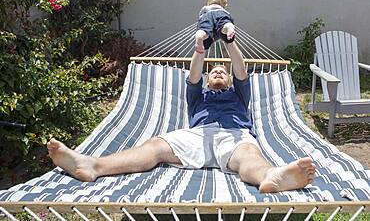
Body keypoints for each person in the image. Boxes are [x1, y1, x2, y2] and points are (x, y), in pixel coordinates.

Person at [47, 32, 316, 193]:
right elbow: (195, 74)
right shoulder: (198, 95)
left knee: (249, 156)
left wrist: (229, 40)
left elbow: (241, 68)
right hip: (196, 136)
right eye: (215, 71)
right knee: (154, 146)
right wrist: (201, 48)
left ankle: (270, 177)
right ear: (208, 81)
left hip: (234, 136)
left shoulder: (239, 95)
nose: (219, 71)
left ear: (232, 80)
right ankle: (92, 165)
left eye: (224, 71)